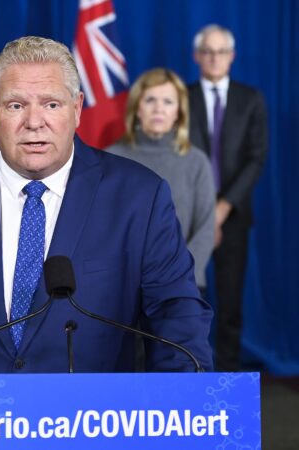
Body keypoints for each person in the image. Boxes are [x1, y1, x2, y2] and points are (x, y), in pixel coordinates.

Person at [0, 36, 213, 441]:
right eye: (16, 105)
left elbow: (175, 308)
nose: (34, 122)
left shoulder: (138, 196)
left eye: (51, 104)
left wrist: (183, 400)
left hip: (91, 427)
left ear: (77, 109)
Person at [188, 24, 268, 371]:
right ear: (197, 56)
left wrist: (222, 208)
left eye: (221, 51)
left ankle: (229, 378)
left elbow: (256, 157)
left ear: (231, 57)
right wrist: (206, 213)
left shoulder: (250, 99)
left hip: (233, 215)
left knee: (231, 301)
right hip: (189, 215)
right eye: (207, 51)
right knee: (188, 298)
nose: (214, 58)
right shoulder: (181, 96)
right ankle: (192, 371)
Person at [107, 68, 215, 296]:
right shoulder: (111, 159)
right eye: (150, 100)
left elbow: (206, 228)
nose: (158, 108)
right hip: (120, 289)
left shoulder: (196, 161)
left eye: (167, 101)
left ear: (178, 112)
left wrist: (181, 278)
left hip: (182, 287)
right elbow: (104, 227)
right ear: (137, 108)